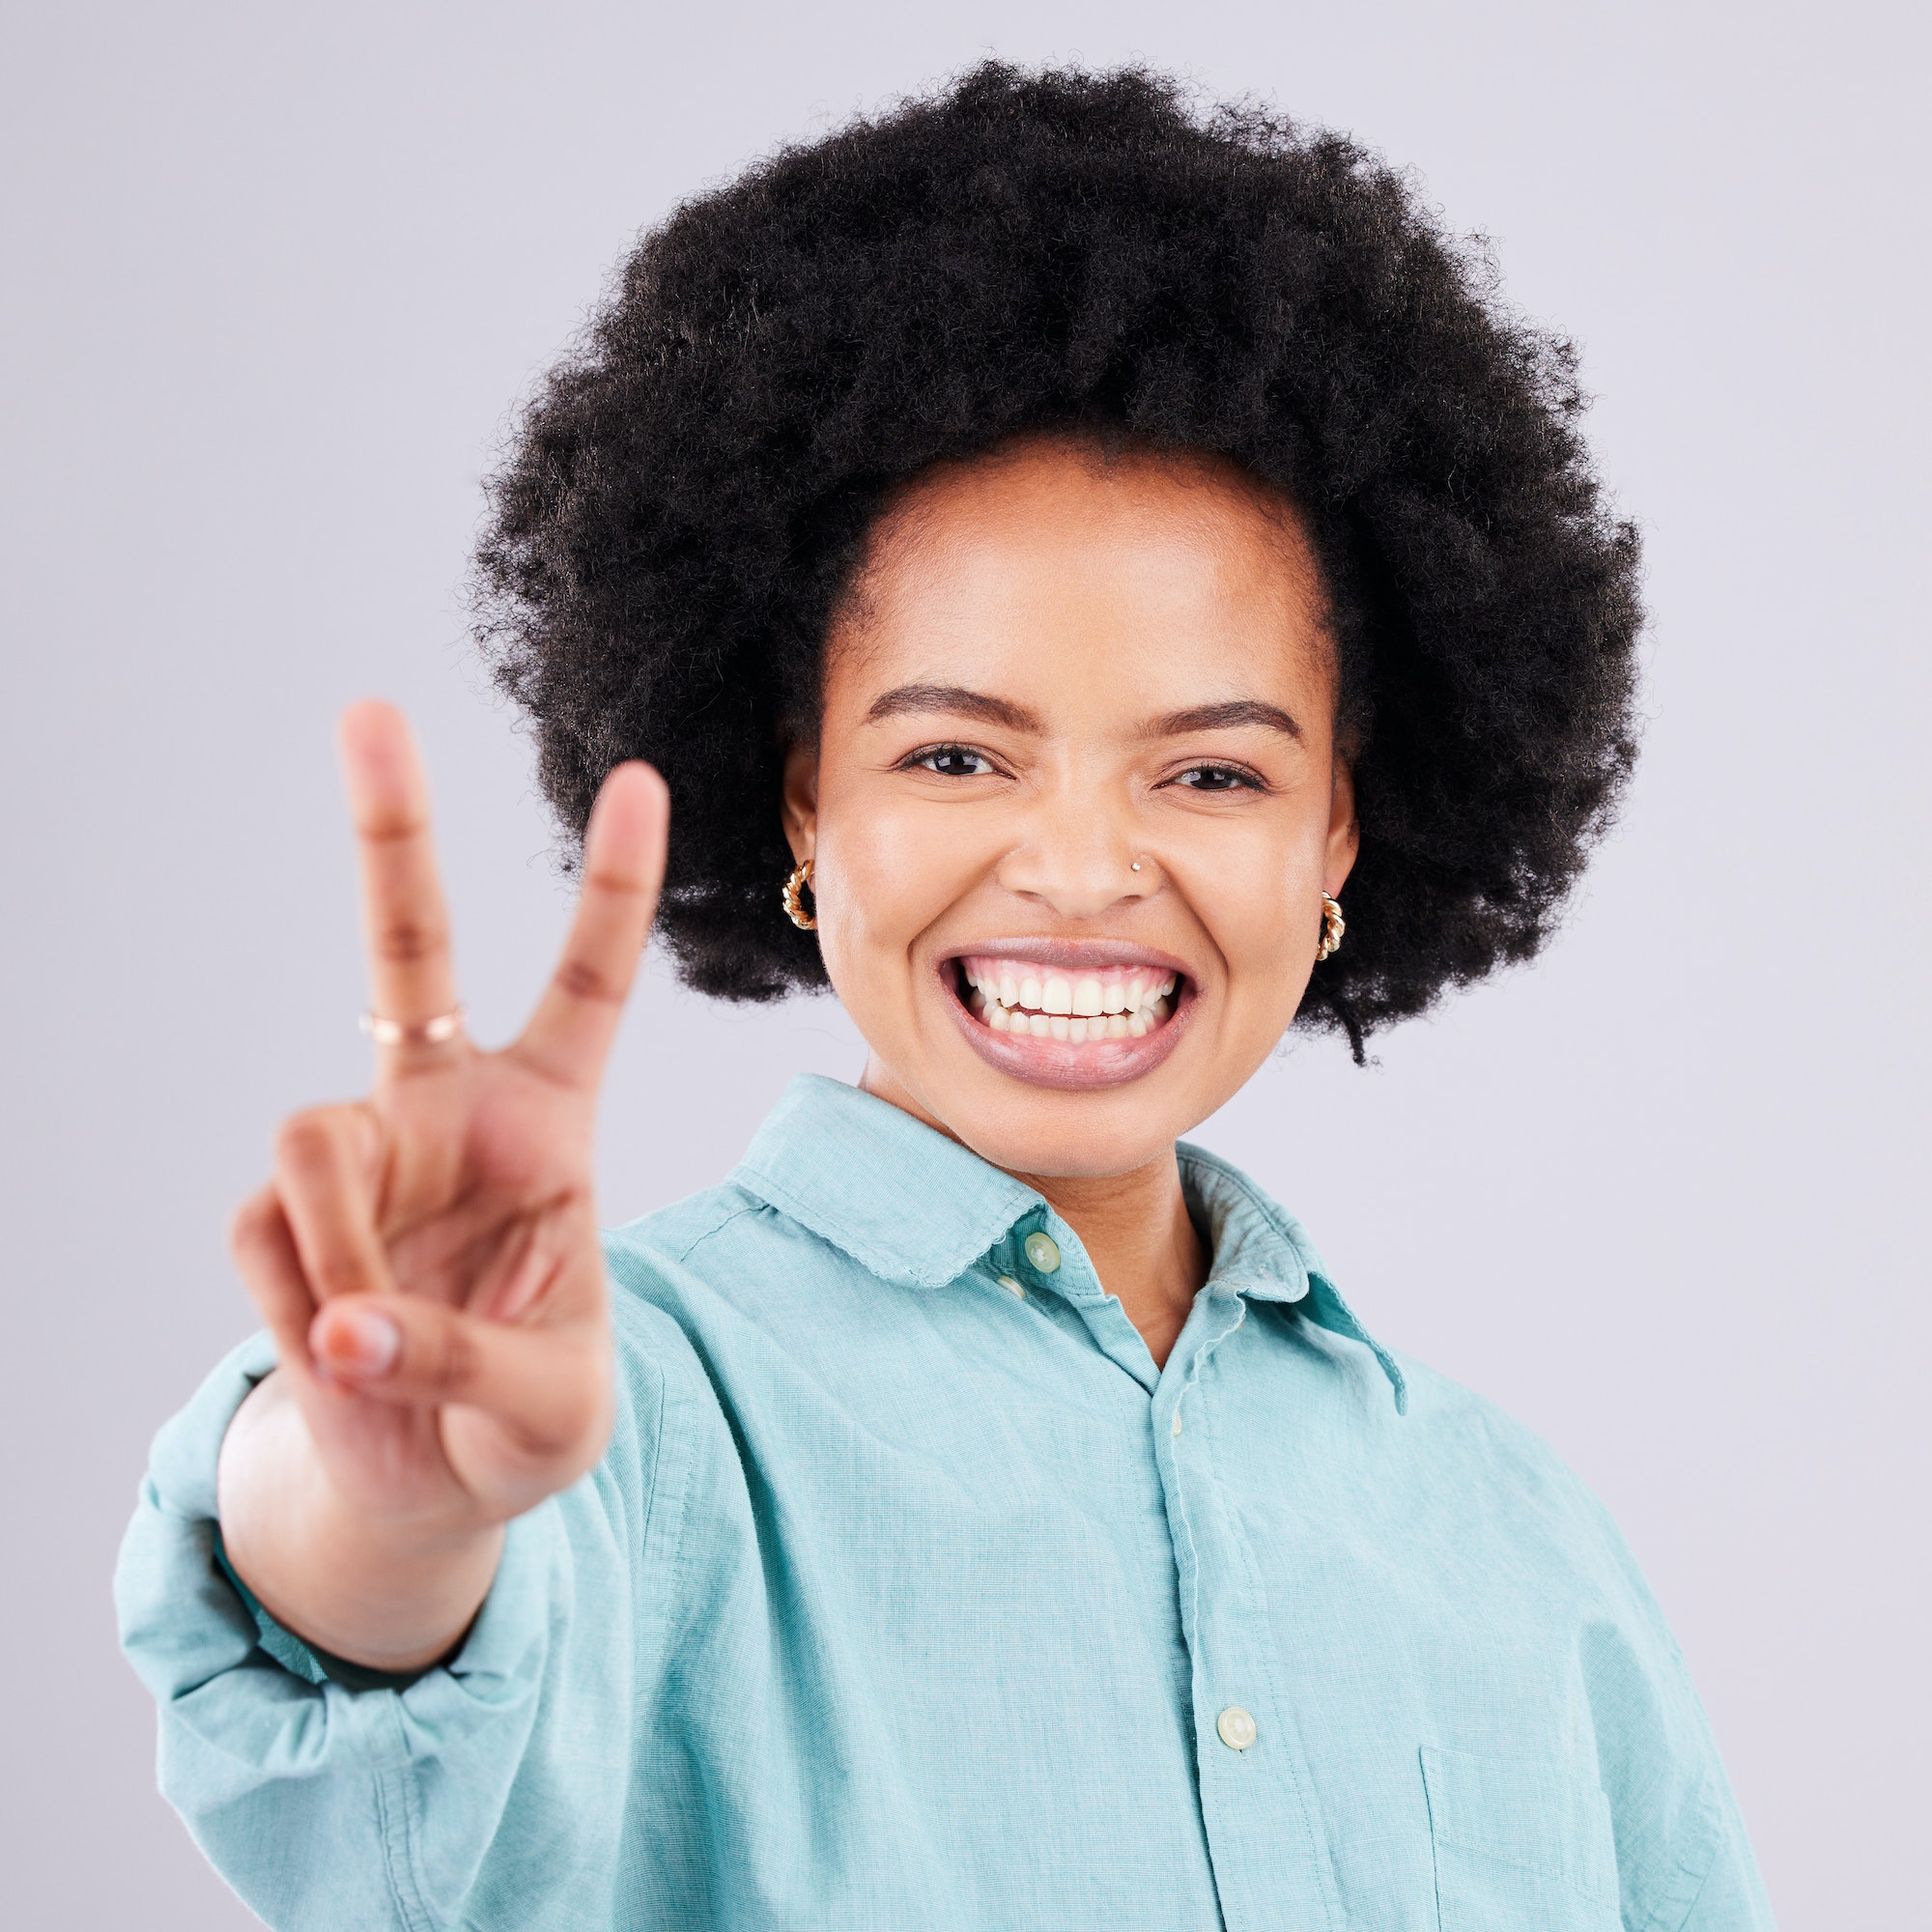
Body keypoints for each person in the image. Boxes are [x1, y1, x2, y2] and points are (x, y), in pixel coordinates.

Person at [116, 63, 1774, 1932]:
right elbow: (361, 1652)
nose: (1078, 867)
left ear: (1338, 840)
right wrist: (392, 1500)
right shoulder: (633, 1413)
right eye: (960, 761)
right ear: (804, 802)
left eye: (1212, 773)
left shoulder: (1519, 1538)